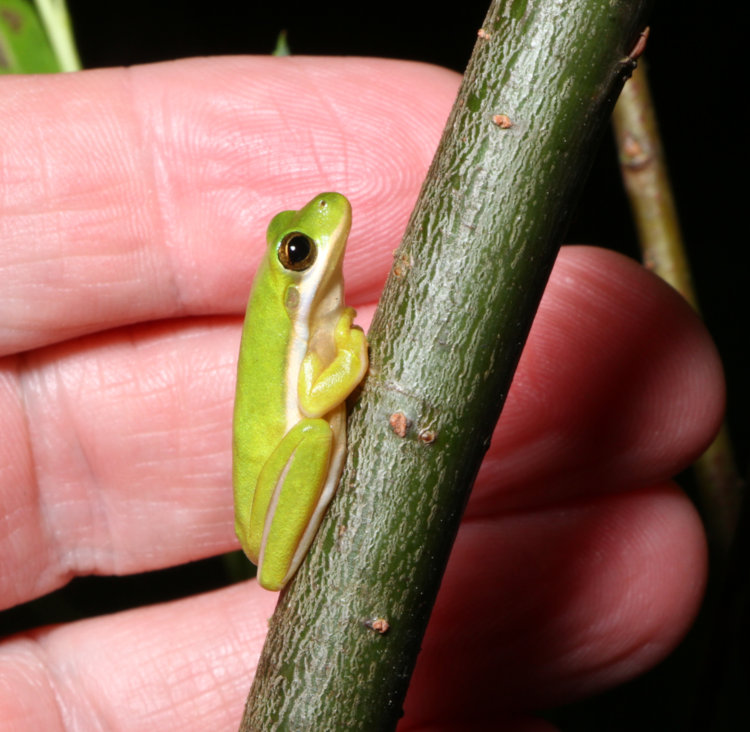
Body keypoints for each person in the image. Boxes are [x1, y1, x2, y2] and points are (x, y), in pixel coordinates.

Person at [0, 57, 723, 729]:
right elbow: (317, 402)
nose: (317, 241)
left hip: (271, 493)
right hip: (292, 461)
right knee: (316, 431)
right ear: (290, 282)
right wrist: (349, 357)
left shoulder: (311, 321)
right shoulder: (301, 329)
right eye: (297, 252)